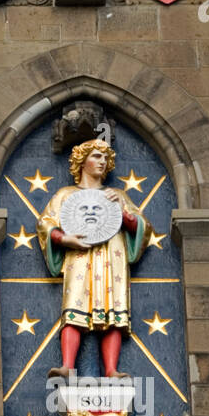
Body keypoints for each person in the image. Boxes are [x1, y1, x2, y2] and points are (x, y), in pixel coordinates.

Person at [36, 139, 151, 380]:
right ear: (82, 161)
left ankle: (111, 370)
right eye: (96, 156)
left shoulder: (117, 195)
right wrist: (64, 239)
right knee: (75, 305)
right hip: (80, 253)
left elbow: (143, 226)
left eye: (105, 158)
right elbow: (45, 223)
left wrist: (123, 214)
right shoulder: (66, 195)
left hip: (112, 254)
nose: (102, 161)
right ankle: (67, 365)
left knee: (113, 309)